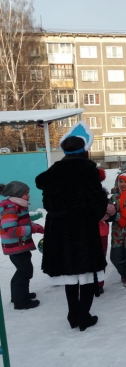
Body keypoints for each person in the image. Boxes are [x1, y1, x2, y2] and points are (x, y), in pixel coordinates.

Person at [35, 121, 108, 331]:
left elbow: (47, 204)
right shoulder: (87, 169)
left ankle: (72, 314)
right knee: (85, 272)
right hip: (82, 228)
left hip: (58, 229)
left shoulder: (53, 172)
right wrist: (97, 212)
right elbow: (96, 201)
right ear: (83, 149)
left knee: (69, 273)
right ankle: (84, 315)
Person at [0, 181, 43, 310]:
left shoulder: (18, 206)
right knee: (24, 271)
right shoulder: (11, 208)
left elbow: (23, 224)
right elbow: (10, 229)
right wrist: (32, 229)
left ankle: (19, 295)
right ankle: (21, 301)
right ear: (17, 194)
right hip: (15, 246)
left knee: (23, 271)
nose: (28, 196)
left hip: (19, 245)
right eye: (26, 194)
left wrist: (39, 228)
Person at [96, 168, 116, 294]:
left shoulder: (100, 194)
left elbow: (110, 210)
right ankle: (98, 284)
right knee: (99, 258)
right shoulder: (99, 194)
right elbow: (110, 211)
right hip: (99, 231)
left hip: (99, 231)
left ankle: (97, 283)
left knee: (97, 258)